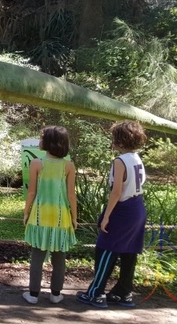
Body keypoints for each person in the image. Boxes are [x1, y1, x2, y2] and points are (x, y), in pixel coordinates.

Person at [77, 121, 148, 308]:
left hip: (122, 209)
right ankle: (123, 293)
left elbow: (116, 192)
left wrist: (106, 215)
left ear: (120, 140)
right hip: (137, 207)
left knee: (106, 247)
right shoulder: (136, 157)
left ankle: (96, 293)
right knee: (129, 251)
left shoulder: (120, 161)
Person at [22, 125, 78, 304]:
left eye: (42, 138)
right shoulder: (68, 166)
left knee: (37, 256)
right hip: (62, 217)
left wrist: (26, 212)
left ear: (48, 142)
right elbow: (71, 195)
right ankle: (56, 294)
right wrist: (74, 217)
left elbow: (31, 192)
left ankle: (33, 294)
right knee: (59, 257)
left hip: (40, 215)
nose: (39, 140)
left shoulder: (36, 163)